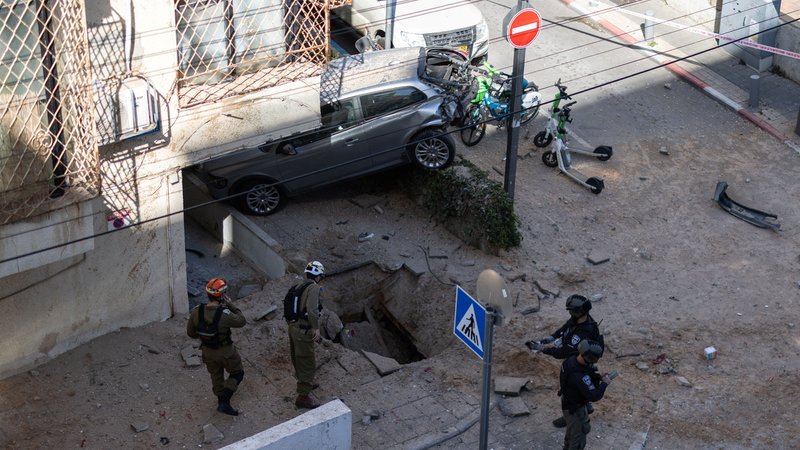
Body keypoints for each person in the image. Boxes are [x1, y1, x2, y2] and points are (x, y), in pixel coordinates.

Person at [526, 294, 603, 427]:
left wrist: (543, 349)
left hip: (580, 364)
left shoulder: (584, 331)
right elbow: (565, 328)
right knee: (576, 389)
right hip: (576, 359)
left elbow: (563, 352)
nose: (571, 313)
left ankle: (572, 415)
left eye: (573, 311)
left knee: (571, 390)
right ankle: (582, 409)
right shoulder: (579, 319)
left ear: (580, 311)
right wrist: (551, 337)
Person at [186, 277, 247, 416]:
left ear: (207, 294)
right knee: (237, 373)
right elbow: (242, 321)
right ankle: (225, 402)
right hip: (226, 351)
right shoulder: (225, 314)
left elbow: (191, 333)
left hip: (207, 351)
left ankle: (220, 400)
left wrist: (205, 337)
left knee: (216, 375)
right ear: (222, 296)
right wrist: (231, 305)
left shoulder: (197, 311)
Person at [559, 339, 614, 450]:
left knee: (571, 434)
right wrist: (604, 383)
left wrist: (598, 377)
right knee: (577, 440)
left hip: (567, 402)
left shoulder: (571, 360)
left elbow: (582, 379)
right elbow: (593, 396)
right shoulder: (579, 375)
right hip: (575, 409)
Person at [288, 261, 325, 409]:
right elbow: (312, 310)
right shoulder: (314, 288)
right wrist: (316, 328)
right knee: (307, 362)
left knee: (298, 359)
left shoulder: (299, 286)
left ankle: (306, 384)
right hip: (303, 330)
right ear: (318, 276)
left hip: (293, 328)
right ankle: (303, 397)